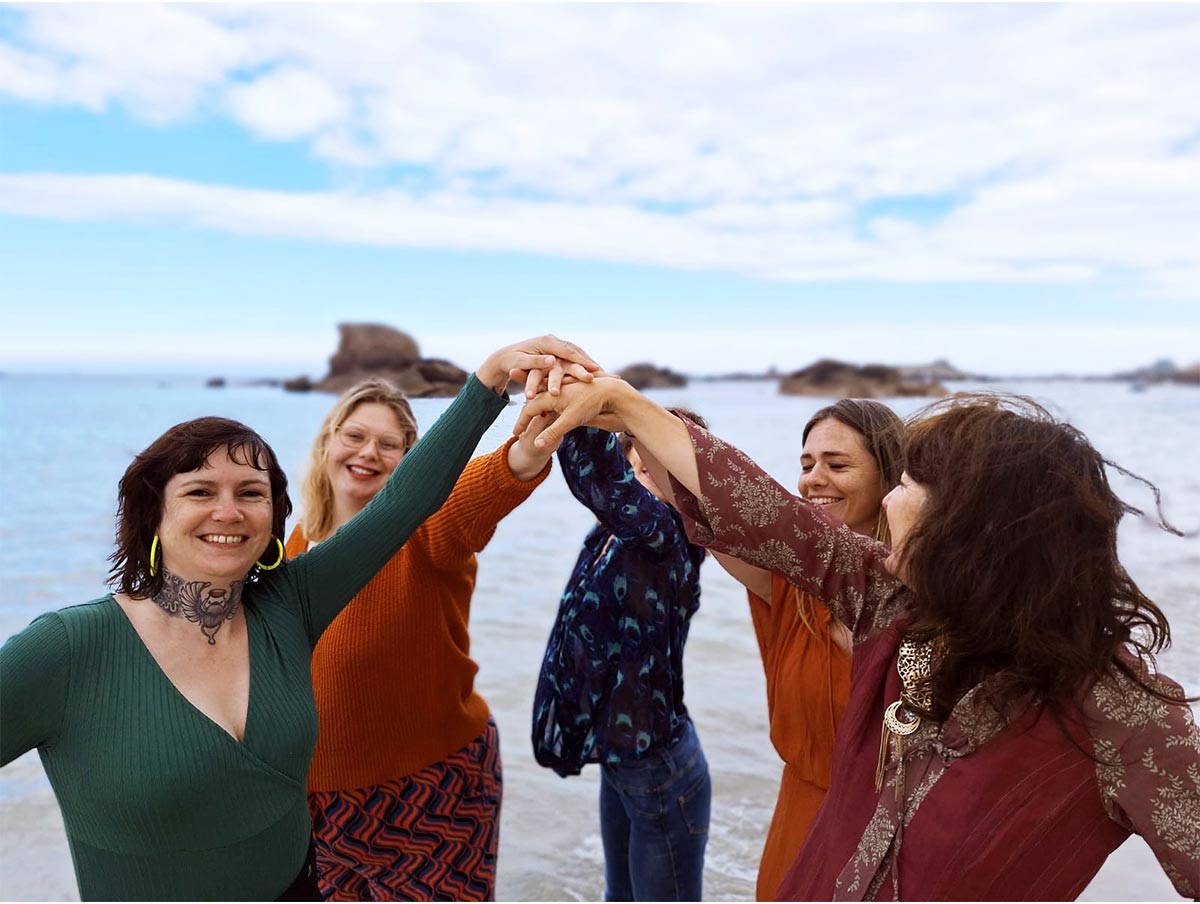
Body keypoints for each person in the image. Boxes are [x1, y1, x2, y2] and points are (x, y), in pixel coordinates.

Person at [515, 379, 1199, 901]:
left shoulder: (1127, 717)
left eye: (905, 482)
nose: (892, 499)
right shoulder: (890, 602)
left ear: (975, 524)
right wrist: (627, 408)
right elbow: (765, 511)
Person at [0, 336, 598, 902]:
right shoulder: (70, 648)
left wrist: (490, 385)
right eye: (201, 491)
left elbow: (408, 502)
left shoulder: (289, 601)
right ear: (152, 512)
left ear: (272, 519)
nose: (229, 512)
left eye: (252, 493)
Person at [290, 377, 557, 901]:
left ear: (412, 464)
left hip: (428, 794)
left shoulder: (428, 528)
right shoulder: (295, 543)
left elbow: (491, 482)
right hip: (318, 810)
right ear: (327, 442)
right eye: (355, 436)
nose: (369, 453)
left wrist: (531, 446)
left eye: (390, 445)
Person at [710, 399, 903, 900]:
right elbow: (707, 505)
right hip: (798, 823)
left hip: (892, 836)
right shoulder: (787, 586)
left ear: (890, 480)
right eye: (806, 464)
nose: (813, 479)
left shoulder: (929, 596)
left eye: (837, 465)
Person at [531, 411, 710, 901]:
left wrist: (575, 404)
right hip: (625, 759)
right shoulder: (611, 538)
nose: (648, 473)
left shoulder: (669, 539)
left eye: (667, 464)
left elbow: (603, 479)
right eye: (642, 460)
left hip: (660, 771)